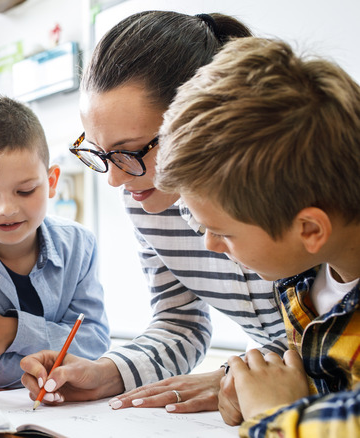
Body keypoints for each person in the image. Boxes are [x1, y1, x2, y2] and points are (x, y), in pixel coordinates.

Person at [20, 10, 288, 411]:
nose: (114, 180)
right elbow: (180, 322)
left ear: (200, 120)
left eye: (129, 152)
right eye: (98, 152)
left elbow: (334, 336)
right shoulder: (145, 196)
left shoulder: (296, 185)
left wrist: (232, 377)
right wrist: (106, 372)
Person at [155, 36, 360, 436]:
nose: (210, 244)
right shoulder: (303, 276)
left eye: (221, 232)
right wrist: (255, 385)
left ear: (309, 230)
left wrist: (272, 414)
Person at [0, 95, 111, 389]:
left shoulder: (79, 245)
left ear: (52, 181)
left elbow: (94, 342)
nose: (7, 209)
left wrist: (15, 332)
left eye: (26, 191)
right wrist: (57, 352)